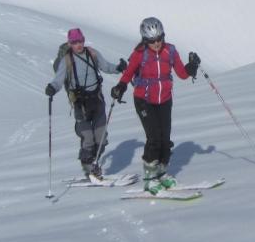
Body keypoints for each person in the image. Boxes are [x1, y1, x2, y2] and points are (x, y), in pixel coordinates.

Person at [110, 17, 200, 194]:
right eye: (152, 40)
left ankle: (161, 174)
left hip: (164, 99)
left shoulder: (170, 51)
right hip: (143, 99)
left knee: (165, 140)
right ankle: (150, 179)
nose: (157, 43)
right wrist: (120, 87)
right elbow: (128, 74)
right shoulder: (139, 54)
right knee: (154, 138)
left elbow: (182, 74)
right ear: (145, 40)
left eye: (160, 38)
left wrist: (192, 66)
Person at [46, 28, 127, 182]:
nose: (78, 45)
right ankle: (89, 169)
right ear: (70, 43)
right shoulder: (67, 60)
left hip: (97, 100)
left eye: (80, 41)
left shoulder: (92, 53)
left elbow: (105, 66)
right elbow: (59, 78)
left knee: (101, 138)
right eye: (74, 42)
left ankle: (94, 164)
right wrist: (52, 88)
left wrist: (118, 68)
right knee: (88, 138)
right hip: (80, 104)